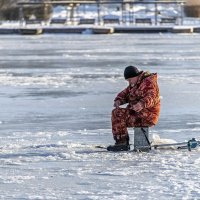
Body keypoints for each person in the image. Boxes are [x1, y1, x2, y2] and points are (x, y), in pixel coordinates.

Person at [107, 66, 160, 151]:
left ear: (136, 76)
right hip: (137, 114)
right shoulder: (135, 84)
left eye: (130, 79)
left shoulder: (149, 82)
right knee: (116, 112)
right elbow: (125, 93)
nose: (129, 82)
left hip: (148, 115)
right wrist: (118, 100)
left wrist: (141, 104)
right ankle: (121, 142)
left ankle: (122, 143)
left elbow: (152, 97)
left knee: (119, 113)